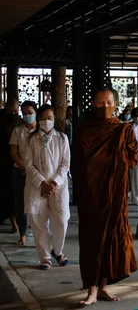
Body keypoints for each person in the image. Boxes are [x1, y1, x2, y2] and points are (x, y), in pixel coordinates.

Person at [73, 87, 138, 305]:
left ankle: (102, 287)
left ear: (116, 104)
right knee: (92, 237)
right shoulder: (84, 130)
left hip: (114, 192)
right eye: (100, 103)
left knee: (111, 238)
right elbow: (77, 162)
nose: (104, 107)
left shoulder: (122, 130)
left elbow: (133, 158)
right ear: (93, 104)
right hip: (90, 193)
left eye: (108, 102)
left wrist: (115, 163)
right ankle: (90, 289)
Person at [23, 104, 70, 270]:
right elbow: (28, 164)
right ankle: (45, 257)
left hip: (58, 186)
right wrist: (43, 182)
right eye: (42, 118)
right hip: (37, 186)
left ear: (54, 119)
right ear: (38, 119)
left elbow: (65, 165)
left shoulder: (62, 138)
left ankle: (57, 251)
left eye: (49, 118)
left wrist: (54, 182)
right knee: (38, 222)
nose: (46, 121)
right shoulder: (30, 139)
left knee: (62, 220)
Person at [9, 101, 37, 245]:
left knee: (37, 201)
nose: (27, 116)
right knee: (20, 202)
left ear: (36, 112)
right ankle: (23, 234)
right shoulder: (17, 131)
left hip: (38, 171)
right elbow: (14, 152)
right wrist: (23, 166)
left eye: (30, 113)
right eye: (24, 113)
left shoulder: (40, 130)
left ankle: (40, 233)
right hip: (19, 170)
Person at [0, 98, 19, 231]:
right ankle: (13, 222)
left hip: (12, 161)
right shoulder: (11, 120)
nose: (14, 112)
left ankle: (14, 222)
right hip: (6, 160)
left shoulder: (16, 121)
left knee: (11, 192)